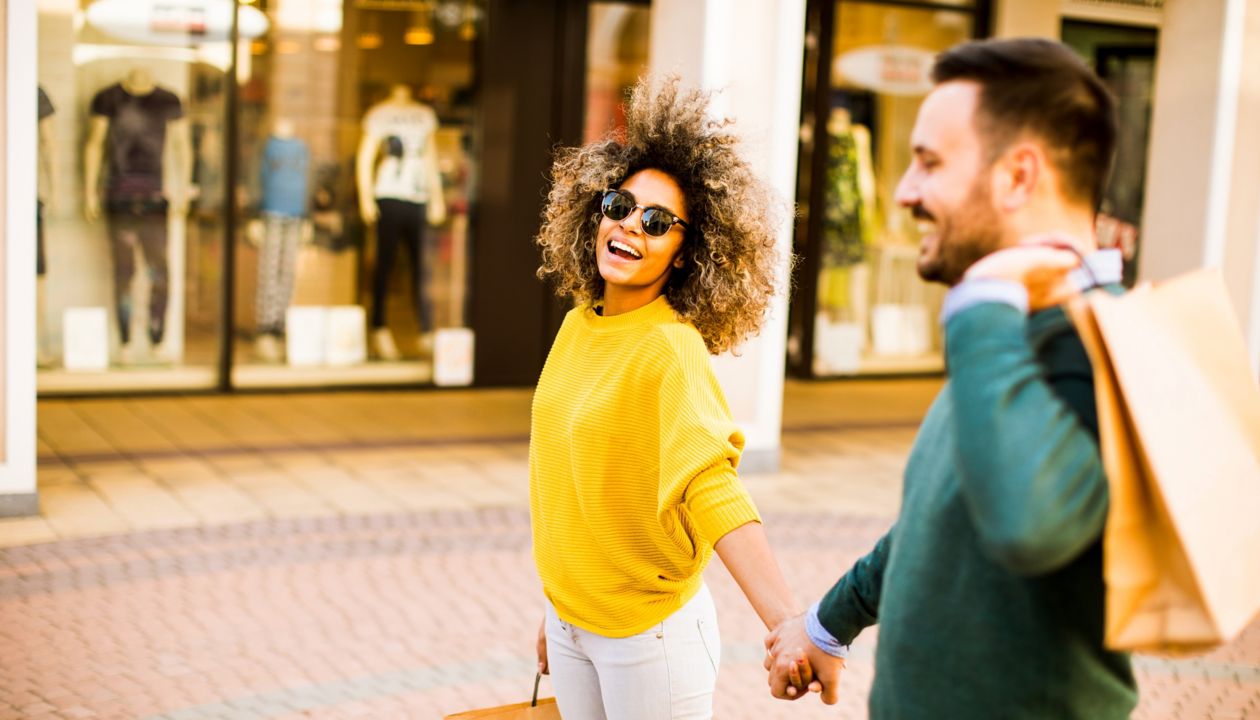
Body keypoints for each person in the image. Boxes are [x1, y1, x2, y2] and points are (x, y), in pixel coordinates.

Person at [764, 37, 1137, 718]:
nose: (905, 191)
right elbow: (938, 520)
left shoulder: (1100, 345)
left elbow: (1026, 526)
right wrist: (828, 623)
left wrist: (982, 301)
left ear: (1020, 177)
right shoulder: (1011, 326)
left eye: (928, 163)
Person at [530, 77, 809, 719]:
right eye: (620, 205)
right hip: (573, 626)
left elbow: (710, 487)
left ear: (687, 253)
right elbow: (568, 485)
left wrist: (787, 624)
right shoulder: (578, 327)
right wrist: (556, 605)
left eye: (657, 222)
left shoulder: (670, 349)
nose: (630, 226)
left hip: (646, 640)